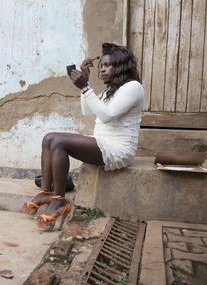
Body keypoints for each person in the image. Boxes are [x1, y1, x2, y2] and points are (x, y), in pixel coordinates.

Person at [21, 42, 145, 231]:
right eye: (101, 65)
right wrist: (84, 85)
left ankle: (59, 201)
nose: (102, 69)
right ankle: (46, 192)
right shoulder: (110, 91)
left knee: (58, 142)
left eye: (108, 65)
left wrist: (86, 87)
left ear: (120, 66)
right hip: (102, 143)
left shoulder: (133, 87)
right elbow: (87, 111)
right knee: (48, 138)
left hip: (117, 150)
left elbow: (107, 115)